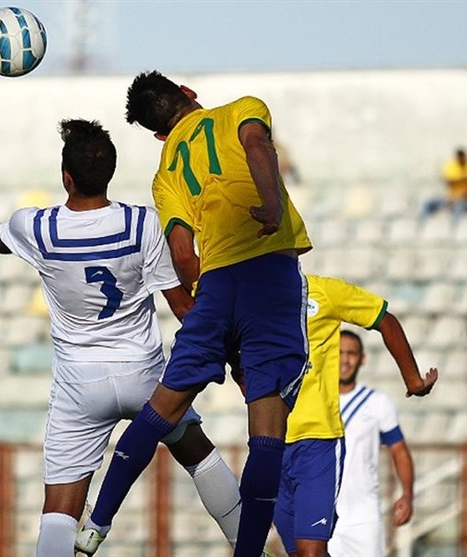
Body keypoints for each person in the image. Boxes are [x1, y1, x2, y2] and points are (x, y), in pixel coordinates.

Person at [0, 119, 245, 556]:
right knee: (197, 452)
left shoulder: (39, 228)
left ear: (66, 177)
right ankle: (249, 545)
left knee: (60, 506)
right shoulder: (143, 224)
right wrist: (227, 351)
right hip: (144, 374)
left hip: (80, 383)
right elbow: (181, 304)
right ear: (110, 171)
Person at [77, 70, 314, 557]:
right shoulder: (241, 109)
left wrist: (215, 309)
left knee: (163, 408)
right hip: (269, 275)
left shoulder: (165, 174)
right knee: (267, 423)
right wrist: (270, 205)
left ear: (159, 133)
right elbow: (258, 148)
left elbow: (183, 253)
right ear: (188, 94)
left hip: (216, 286)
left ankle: (95, 526)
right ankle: (249, 552)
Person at [231, 275, 435, 557]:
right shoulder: (250, 294)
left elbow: (384, 318)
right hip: (270, 444)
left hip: (318, 442)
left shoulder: (324, 292)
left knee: (311, 551)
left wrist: (413, 379)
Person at [328, 330, 415, 557]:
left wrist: (407, 494)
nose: (345, 360)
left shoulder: (377, 402)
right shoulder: (316, 400)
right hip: (322, 514)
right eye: (339, 353)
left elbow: (399, 451)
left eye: (351, 354)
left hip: (364, 517)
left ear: (362, 359)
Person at [420, 147, 467, 223]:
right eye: (462, 158)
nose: (464, 159)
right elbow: (449, 182)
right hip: (450, 198)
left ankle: (454, 230)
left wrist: (459, 182)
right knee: (427, 203)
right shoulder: (452, 167)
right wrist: (462, 179)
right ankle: (422, 227)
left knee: (459, 208)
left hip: (464, 200)